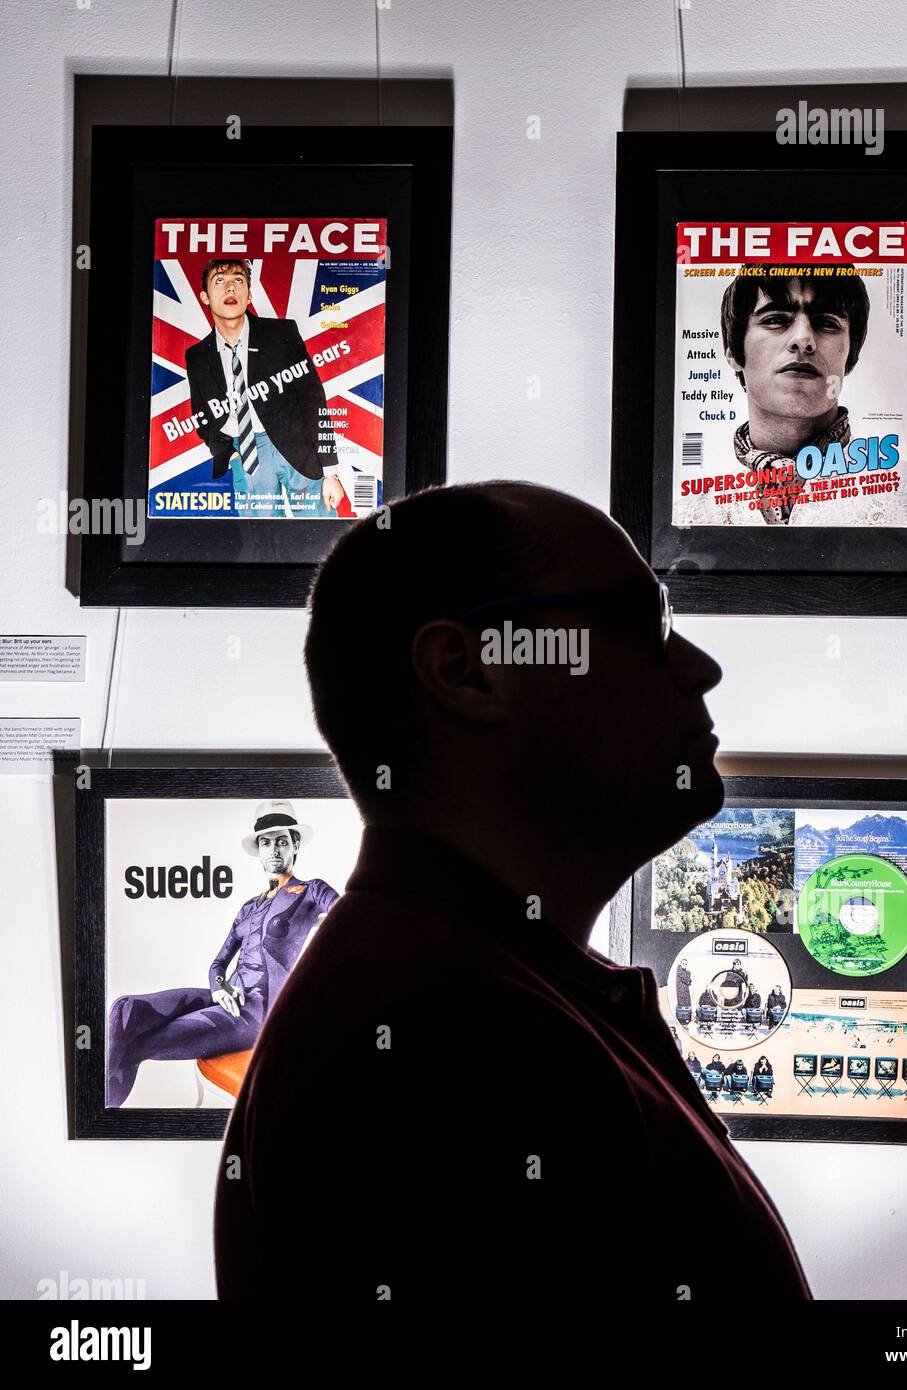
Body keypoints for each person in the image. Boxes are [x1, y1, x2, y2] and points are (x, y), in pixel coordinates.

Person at [213, 480, 812, 1305]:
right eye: (646, 624)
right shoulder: (441, 1040)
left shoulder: (466, 993)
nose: (700, 666)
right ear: (467, 671)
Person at [107, 801, 338, 1108]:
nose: (274, 850)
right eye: (266, 843)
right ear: (258, 850)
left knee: (135, 1046)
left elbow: (349, 916)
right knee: (125, 1010)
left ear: (294, 845)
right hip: (227, 999)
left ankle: (100, 1115)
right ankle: (100, 1109)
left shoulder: (311, 890)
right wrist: (219, 987)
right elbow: (218, 963)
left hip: (257, 1016)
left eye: (282, 841)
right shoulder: (248, 908)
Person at [184, 259, 346, 520]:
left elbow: (313, 400)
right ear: (205, 296)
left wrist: (331, 472)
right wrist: (231, 454)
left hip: (297, 447)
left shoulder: (281, 333)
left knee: (319, 532)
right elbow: (203, 416)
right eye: (220, 281)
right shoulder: (197, 356)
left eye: (238, 280)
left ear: (249, 295)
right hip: (247, 454)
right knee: (262, 545)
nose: (230, 288)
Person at [718, 268, 871, 526]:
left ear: (850, 359)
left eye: (826, 322)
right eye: (775, 320)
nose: (803, 340)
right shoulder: (690, 511)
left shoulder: (904, 491)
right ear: (734, 352)